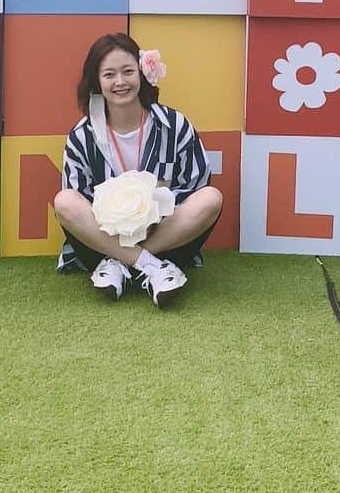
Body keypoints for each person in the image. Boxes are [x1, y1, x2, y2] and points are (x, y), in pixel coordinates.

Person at [54, 33, 223, 307]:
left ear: (143, 73)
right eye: (109, 74)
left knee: (211, 198)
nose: (120, 82)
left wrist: (151, 212)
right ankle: (152, 268)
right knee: (65, 201)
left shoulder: (175, 125)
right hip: (105, 239)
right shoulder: (82, 134)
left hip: (164, 234)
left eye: (128, 71)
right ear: (96, 81)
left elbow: (196, 183)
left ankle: (121, 264)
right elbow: (79, 196)